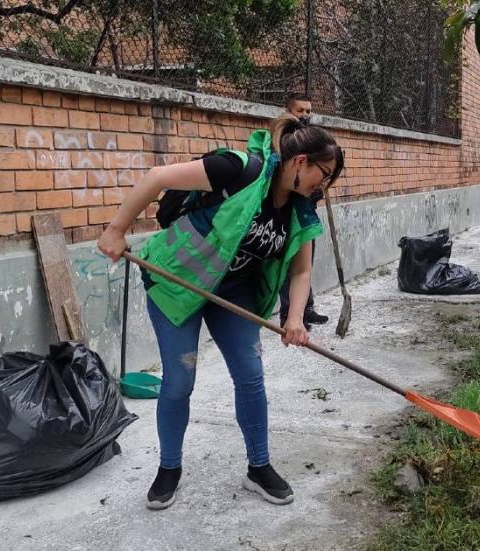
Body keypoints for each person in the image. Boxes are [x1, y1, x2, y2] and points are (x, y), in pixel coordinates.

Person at [97, 114, 344, 510]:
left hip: (234, 291)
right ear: (301, 162)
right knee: (179, 381)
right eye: (324, 173)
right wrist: (116, 229)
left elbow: (301, 269)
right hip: (178, 282)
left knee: (250, 375)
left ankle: (259, 467)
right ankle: (169, 469)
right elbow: (158, 177)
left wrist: (294, 317)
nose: (325, 184)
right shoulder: (238, 169)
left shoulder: (300, 210)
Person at [277, 94, 328, 329]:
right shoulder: (284, 139)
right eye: (301, 111)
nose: (306, 115)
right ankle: (289, 314)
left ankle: (307, 309)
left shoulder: (311, 138)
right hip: (287, 213)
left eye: (309, 111)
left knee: (306, 262)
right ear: (289, 111)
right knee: (291, 264)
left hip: (306, 210)